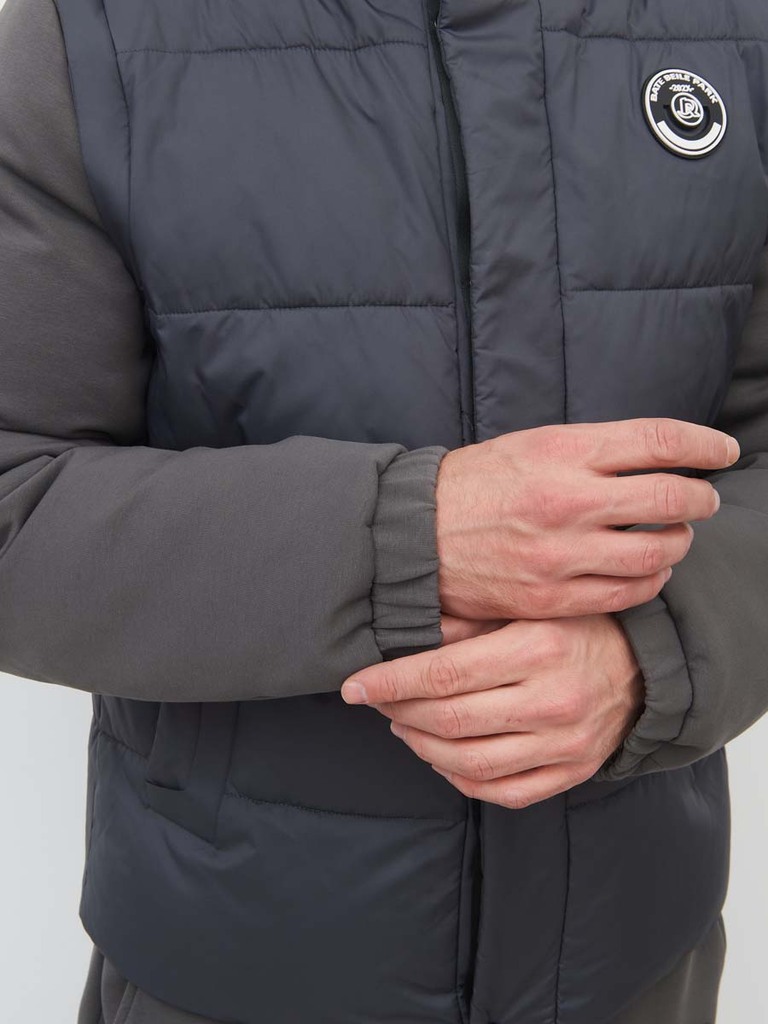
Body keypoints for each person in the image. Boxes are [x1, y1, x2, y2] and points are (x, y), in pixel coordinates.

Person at [1, 0, 767, 1021]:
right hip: (229, 975)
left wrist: (652, 655)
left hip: (638, 965)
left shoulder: (733, 25)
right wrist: (412, 537)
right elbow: (16, 500)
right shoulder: (90, 34)